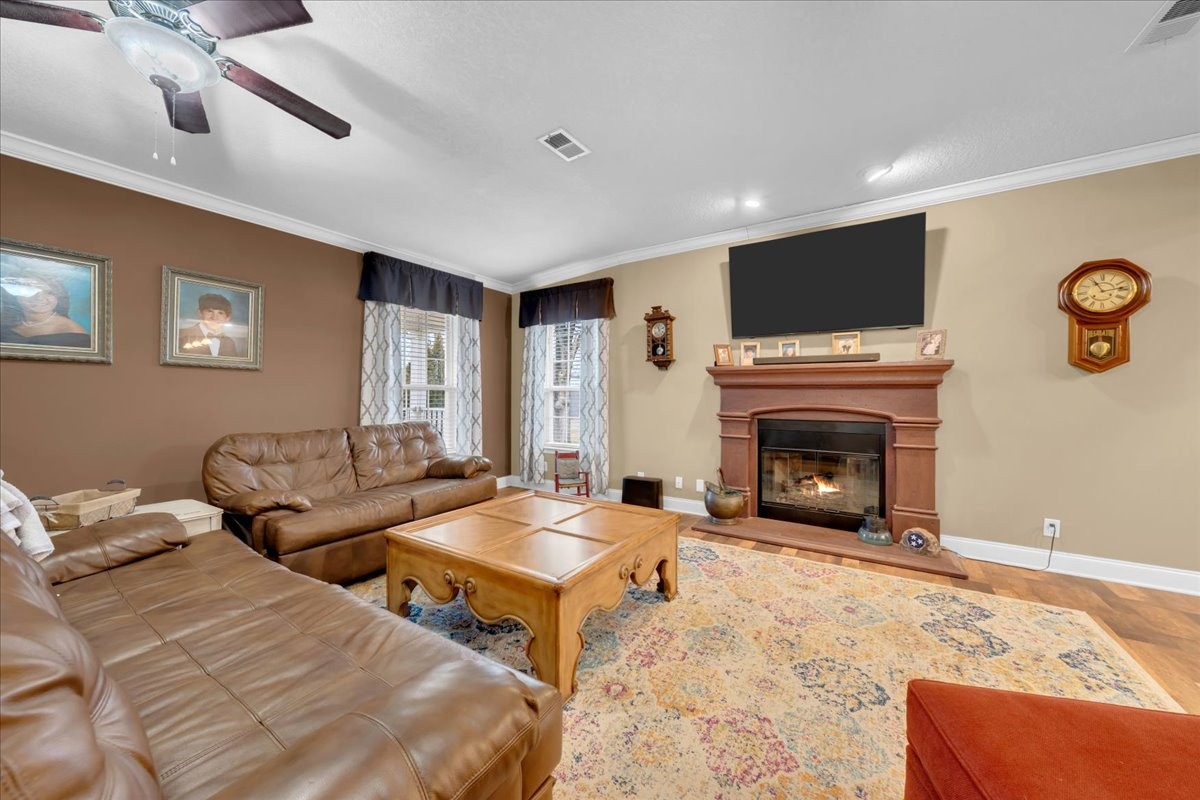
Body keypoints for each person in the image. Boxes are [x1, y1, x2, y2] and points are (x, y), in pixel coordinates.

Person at [0, 272, 90, 347]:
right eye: (30, 290)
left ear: (58, 297)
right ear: (14, 295)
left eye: (49, 292)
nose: (39, 297)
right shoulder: (5, 320)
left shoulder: (74, 333)